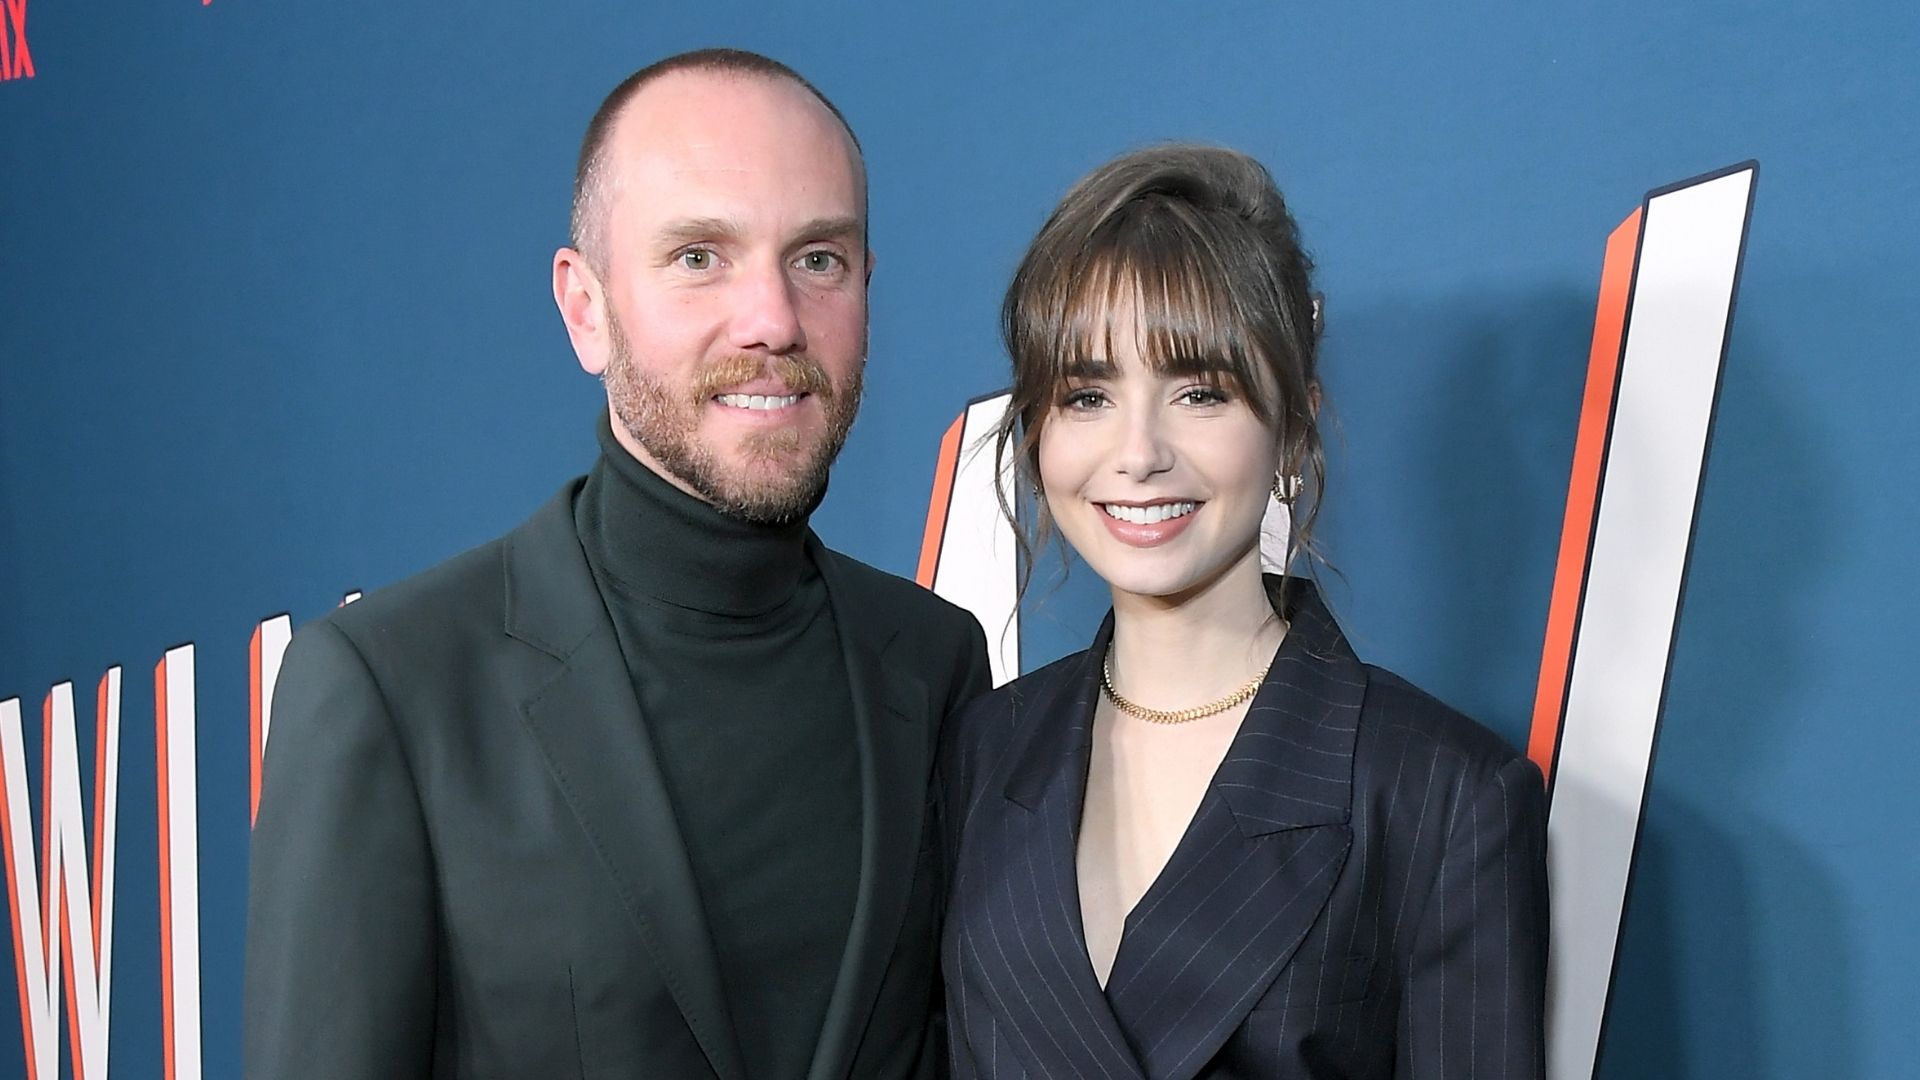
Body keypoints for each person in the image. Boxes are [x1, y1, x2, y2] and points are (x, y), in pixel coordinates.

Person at [245, 48, 991, 1080]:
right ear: (585, 308)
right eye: (699, 256)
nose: (772, 319)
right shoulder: (394, 687)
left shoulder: (935, 663)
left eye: (818, 257)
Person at [938, 145, 1549, 1078]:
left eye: (1200, 392)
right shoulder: (981, 752)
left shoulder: (1440, 793)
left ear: (1292, 426)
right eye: (1088, 396)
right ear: (1035, 432)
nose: (1137, 454)